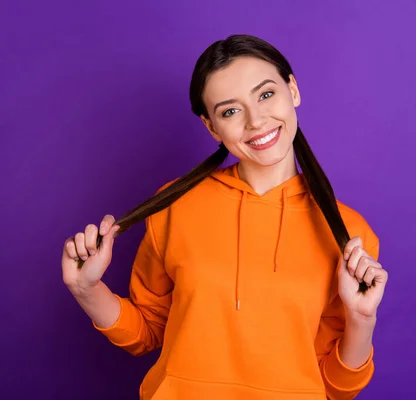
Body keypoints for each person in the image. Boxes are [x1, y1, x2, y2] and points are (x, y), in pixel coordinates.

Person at [61, 34, 388, 400]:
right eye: (230, 111)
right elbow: (147, 331)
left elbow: (335, 387)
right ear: (211, 127)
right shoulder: (175, 205)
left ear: (292, 90)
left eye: (266, 94)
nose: (256, 121)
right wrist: (85, 288)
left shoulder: (348, 233)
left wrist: (361, 319)